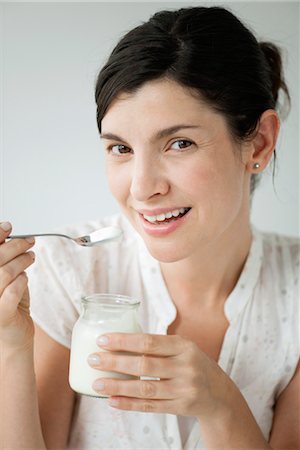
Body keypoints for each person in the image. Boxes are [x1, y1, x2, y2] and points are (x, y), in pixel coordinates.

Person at [0, 5, 299, 450]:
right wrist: (9, 345)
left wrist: (220, 403)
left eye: (179, 143)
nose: (142, 188)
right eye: (120, 148)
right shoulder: (67, 270)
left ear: (258, 142)